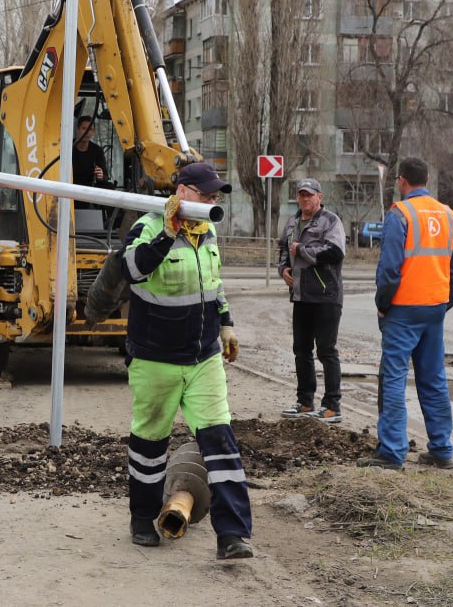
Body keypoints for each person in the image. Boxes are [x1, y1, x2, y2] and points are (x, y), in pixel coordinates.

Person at [120, 161, 254, 560]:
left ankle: (232, 534)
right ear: (182, 192)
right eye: (206, 192)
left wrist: (226, 322)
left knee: (220, 441)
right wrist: (167, 234)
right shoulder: (147, 226)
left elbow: (213, 283)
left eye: (216, 194)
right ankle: (143, 519)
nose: (213, 199)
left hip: (203, 359)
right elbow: (130, 270)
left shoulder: (208, 231)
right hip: (155, 359)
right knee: (149, 445)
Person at [360, 156, 453, 472]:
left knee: (393, 378)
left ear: (402, 181)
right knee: (433, 379)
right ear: (427, 179)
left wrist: (383, 302)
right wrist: (444, 303)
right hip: (434, 308)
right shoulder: (448, 215)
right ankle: (442, 449)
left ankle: (392, 452)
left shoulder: (400, 213)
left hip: (403, 309)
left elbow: (389, 269)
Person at [276, 178, 346, 423]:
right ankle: (305, 401)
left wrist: (302, 250)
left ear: (320, 197)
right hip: (301, 296)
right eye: (301, 195)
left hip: (326, 296)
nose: (305, 199)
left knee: (326, 351)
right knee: (301, 350)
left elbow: (335, 253)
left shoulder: (330, 221)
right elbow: (284, 249)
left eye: (310, 195)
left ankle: (332, 406)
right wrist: (283, 269)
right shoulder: (293, 222)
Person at [71, 116, 107, 188]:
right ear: (78, 129)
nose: (87, 132)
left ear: (93, 132)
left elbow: (105, 176)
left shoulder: (97, 150)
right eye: (84, 128)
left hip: (88, 191)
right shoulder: (67, 147)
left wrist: (101, 176)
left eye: (90, 129)